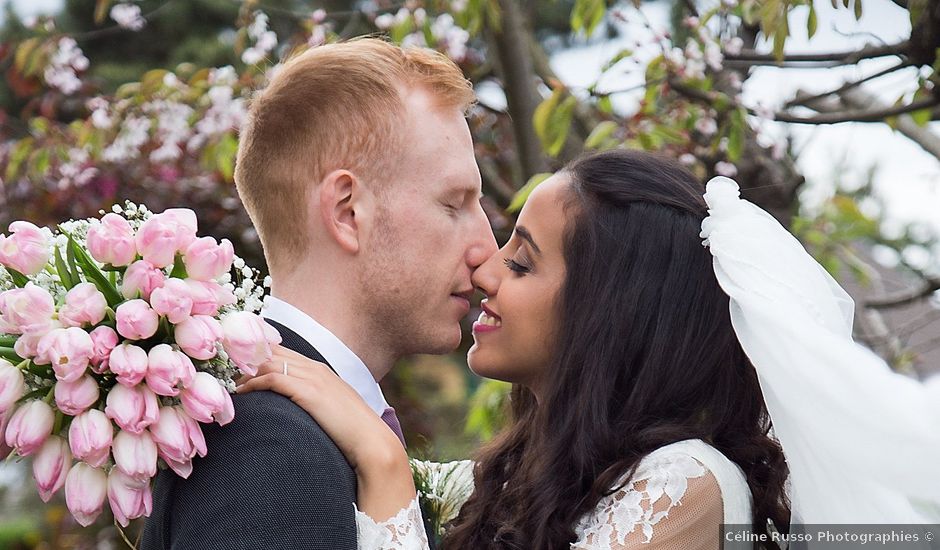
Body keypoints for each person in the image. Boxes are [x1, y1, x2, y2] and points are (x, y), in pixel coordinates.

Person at [238, 149, 793, 549]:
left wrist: (383, 464)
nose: (485, 271)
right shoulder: (512, 481)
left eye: (522, 263)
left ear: (609, 310)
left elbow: (392, 487)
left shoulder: (684, 485)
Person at [141, 38, 497, 550]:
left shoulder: (293, 428)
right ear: (348, 211)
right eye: (454, 203)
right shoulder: (268, 443)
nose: (486, 247)